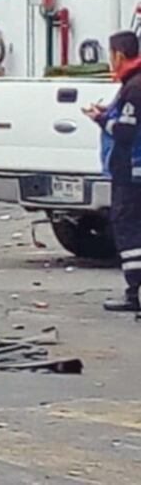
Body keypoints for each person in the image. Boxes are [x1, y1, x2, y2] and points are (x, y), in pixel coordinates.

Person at [85, 31, 141, 311]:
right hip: (132, 171)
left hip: (132, 173)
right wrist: (109, 113)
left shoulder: (134, 86)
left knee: (128, 230)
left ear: (119, 55)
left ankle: (134, 294)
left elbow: (125, 132)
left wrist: (100, 119)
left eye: (110, 54)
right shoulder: (131, 85)